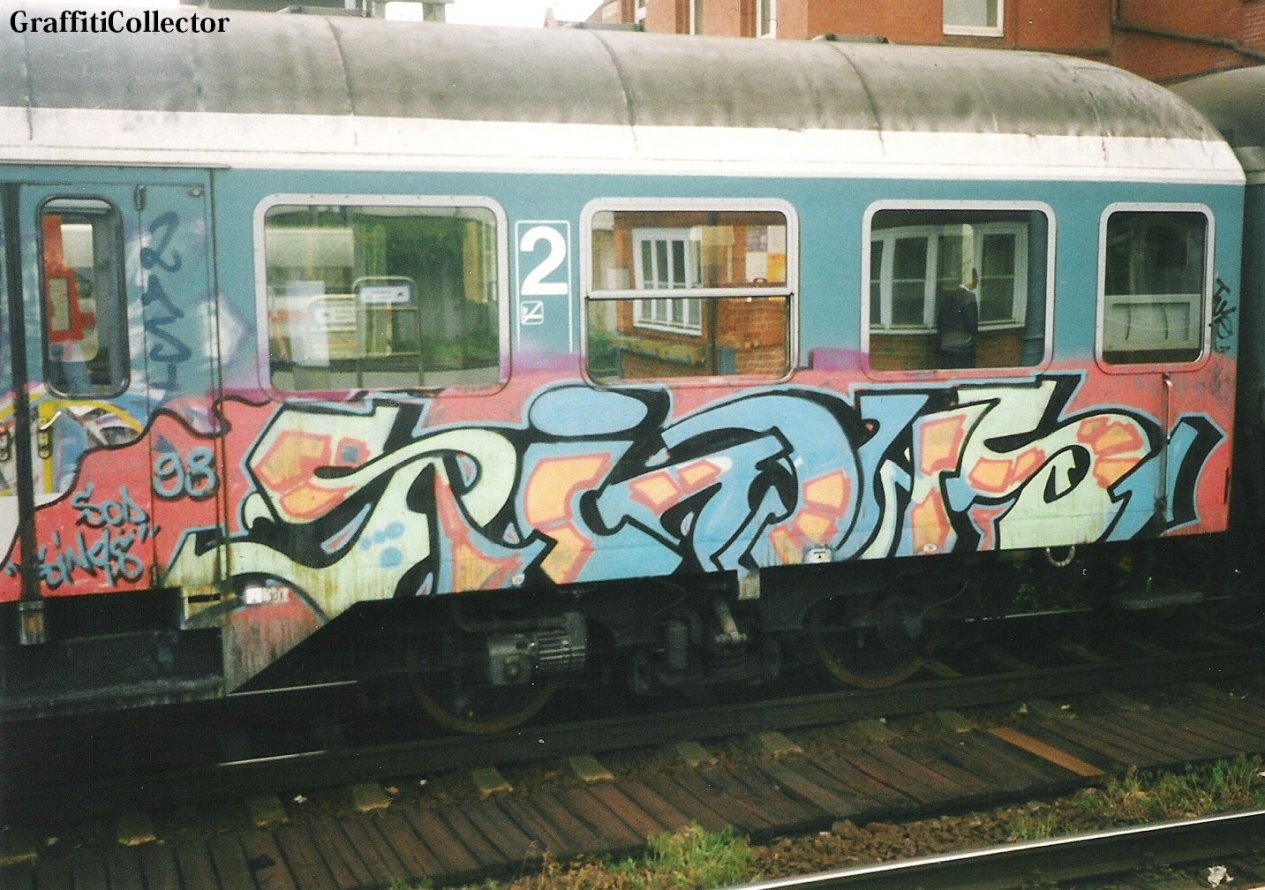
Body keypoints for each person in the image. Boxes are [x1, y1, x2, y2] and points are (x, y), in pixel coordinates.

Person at [936, 268, 979, 369]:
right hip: (963, 346)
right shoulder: (969, 297)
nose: (978, 281)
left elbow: (940, 321)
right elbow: (971, 322)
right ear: (970, 280)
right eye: (976, 278)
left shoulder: (948, 295)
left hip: (946, 343)